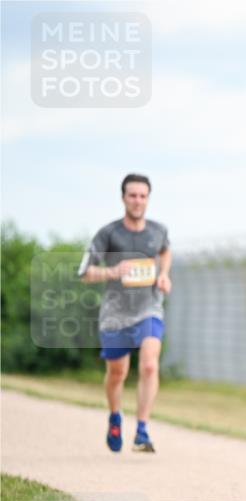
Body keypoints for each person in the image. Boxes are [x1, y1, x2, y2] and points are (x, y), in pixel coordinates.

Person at [80, 174, 172, 454]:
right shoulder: (108, 233)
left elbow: (165, 252)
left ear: (148, 199)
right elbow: (85, 272)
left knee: (149, 365)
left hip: (149, 308)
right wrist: (113, 271)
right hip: (116, 313)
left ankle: (142, 431)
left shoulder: (158, 230)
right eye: (132, 195)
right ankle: (115, 417)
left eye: (143, 196)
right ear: (123, 198)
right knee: (117, 372)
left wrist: (164, 275)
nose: (137, 201)